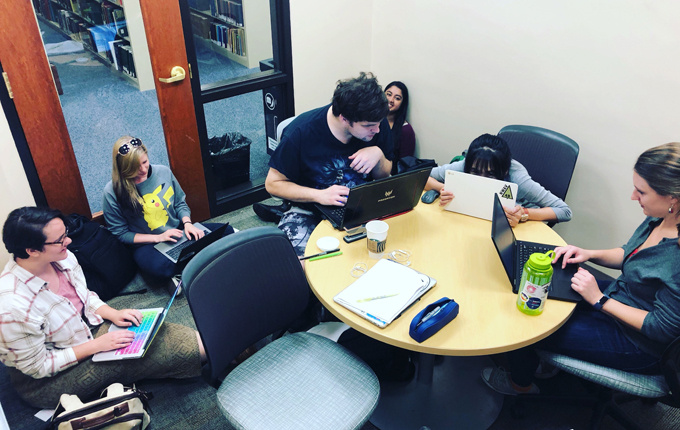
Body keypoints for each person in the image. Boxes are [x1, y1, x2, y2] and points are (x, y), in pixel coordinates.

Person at [481, 142, 680, 396]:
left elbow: (661, 328)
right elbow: (630, 254)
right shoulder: (661, 216)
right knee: (538, 290)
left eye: (641, 192)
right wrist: (587, 253)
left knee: (526, 327)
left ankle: (519, 384)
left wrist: (599, 299)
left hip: (639, 343)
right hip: (623, 296)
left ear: (672, 196)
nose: (633, 196)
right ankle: (540, 360)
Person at [0, 206, 206, 408]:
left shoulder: (63, 258)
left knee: (150, 332)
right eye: (60, 240)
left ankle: (213, 347)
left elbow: (85, 296)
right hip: (46, 381)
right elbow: (40, 366)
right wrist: (97, 346)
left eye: (66, 233)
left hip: (85, 332)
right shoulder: (12, 308)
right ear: (32, 251)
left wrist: (113, 314)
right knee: (137, 356)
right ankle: (213, 351)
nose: (69, 241)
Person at [264, 72, 394, 255]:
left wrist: (378, 155)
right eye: (368, 126)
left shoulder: (375, 122)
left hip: (362, 206)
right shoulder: (300, 132)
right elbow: (272, 184)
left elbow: (385, 174)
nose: (377, 130)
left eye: (378, 124)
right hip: (309, 209)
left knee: (389, 250)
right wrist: (320, 195)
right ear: (344, 118)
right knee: (300, 266)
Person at [102, 136, 233, 286]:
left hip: (178, 233)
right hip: (147, 245)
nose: (143, 170)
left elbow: (179, 203)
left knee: (226, 231)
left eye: (145, 162)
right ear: (124, 169)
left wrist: (188, 224)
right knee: (159, 268)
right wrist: (158, 238)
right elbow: (120, 234)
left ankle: (181, 272)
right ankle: (201, 263)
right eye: (135, 168)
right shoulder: (111, 192)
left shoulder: (163, 172)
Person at [425, 134, 572, 226]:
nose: (481, 179)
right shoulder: (467, 164)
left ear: (505, 170)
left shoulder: (517, 177)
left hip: (510, 227)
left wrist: (524, 214)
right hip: (471, 220)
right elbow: (422, 176)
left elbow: (565, 211)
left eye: (490, 175)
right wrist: (442, 189)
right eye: (475, 172)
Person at [384, 81, 416, 174]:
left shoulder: (406, 130)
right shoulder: (371, 121)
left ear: (402, 103)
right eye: (388, 94)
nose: (391, 100)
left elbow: (405, 165)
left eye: (397, 98)